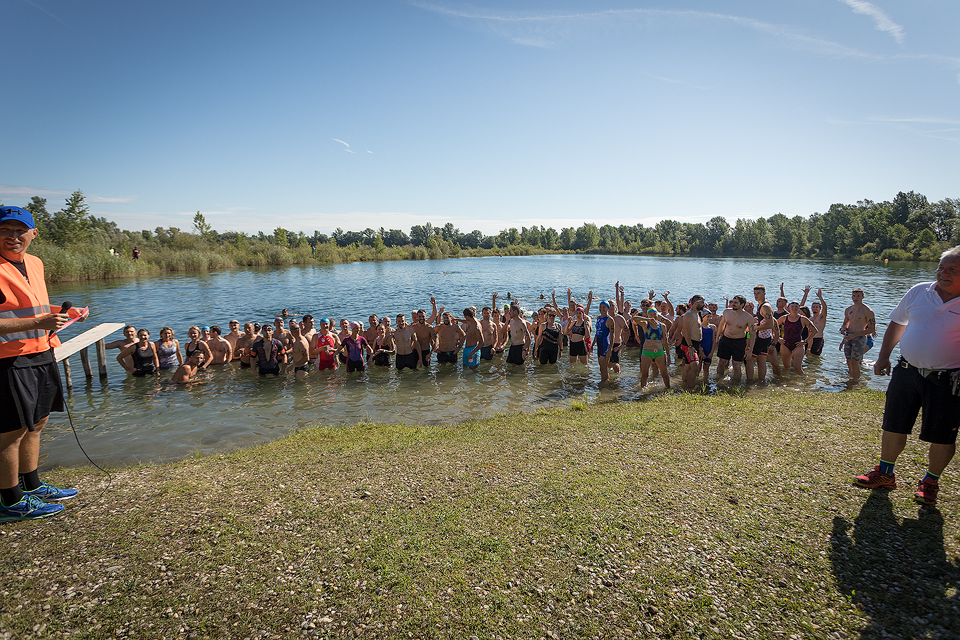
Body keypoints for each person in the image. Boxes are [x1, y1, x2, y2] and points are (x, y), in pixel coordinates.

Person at [855, 247, 960, 505]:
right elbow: (897, 323)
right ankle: (885, 474)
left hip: (948, 379)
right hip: (907, 370)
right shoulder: (919, 291)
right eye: (941, 267)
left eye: (952, 269)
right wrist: (883, 357)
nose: (943, 273)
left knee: (942, 434)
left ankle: (930, 481)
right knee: (894, 423)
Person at [0, 205, 78, 522]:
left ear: (34, 233)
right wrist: (39, 320)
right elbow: (27, 317)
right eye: (5, 230)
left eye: (20, 230)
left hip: (41, 350)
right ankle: (10, 501)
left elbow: (33, 306)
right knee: (11, 430)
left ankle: (32, 486)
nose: (13, 236)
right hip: (8, 358)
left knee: (39, 420)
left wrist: (59, 316)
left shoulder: (35, 263)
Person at [715, 295, 754, 383]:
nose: (733, 304)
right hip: (726, 340)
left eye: (736, 303)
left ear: (742, 304)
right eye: (732, 302)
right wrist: (717, 338)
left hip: (739, 342)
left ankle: (736, 384)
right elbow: (722, 325)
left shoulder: (748, 317)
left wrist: (750, 349)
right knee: (722, 362)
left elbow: (752, 334)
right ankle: (718, 382)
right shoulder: (727, 312)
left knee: (737, 365)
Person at [840, 288, 876, 381]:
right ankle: (851, 379)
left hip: (859, 338)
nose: (855, 298)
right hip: (848, 337)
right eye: (853, 296)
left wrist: (855, 335)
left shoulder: (868, 311)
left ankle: (855, 382)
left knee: (855, 362)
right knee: (848, 361)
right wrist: (843, 329)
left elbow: (871, 329)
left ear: (863, 297)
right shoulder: (848, 309)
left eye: (858, 296)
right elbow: (845, 323)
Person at [633, 306, 671, 389]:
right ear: (648, 315)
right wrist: (647, 319)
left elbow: (665, 341)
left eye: (655, 314)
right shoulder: (645, 324)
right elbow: (635, 318)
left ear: (658, 315)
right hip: (647, 351)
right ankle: (642, 392)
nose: (653, 316)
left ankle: (668, 389)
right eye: (651, 314)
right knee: (645, 374)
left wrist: (668, 355)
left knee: (664, 373)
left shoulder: (662, 326)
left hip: (659, 351)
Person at [776, 302, 818, 375]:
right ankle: (786, 383)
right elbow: (773, 327)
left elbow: (815, 331)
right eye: (792, 306)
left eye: (796, 307)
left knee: (797, 367)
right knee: (786, 367)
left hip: (798, 344)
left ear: (798, 309)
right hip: (785, 344)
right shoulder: (784, 318)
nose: (794, 308)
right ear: (789, 308)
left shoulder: (803, 319)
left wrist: (806, 341)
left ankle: (805, 382)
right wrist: (778, 338)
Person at [679, 295, 705, 387]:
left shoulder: (696, 314)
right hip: (690, 343)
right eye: (702, 302)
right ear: (695, 303)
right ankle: (690, 388)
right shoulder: (689, 314)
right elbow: (685, 331)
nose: (704, 304)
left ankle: (684, 385)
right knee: (695, 366)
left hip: (695, 343)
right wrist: (690, 346)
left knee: (688, 367)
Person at [595, 300, 615, 383]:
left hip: (605, 344)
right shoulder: (598, 317)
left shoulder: (609, 319)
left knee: (604, 368)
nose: (602, 309)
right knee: (601, 368)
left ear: (608, 308)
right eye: (601, 307)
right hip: (599, 344)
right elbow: (597, 333)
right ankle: (605, 382)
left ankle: (604, 386)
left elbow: (612, 335)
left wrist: (610, 350)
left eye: (604, 307)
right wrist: (593, 345)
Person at [808, 289, 828, 356]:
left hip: (818, 339)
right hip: (809, 339)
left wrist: (820, 297)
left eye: (817, 307)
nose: (815, 308)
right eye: (813, 307)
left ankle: (815, 366)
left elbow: (825, 308)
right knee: (808, 355)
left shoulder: (821, 317)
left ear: (820, 308)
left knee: (815, 356)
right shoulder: (809, 318)